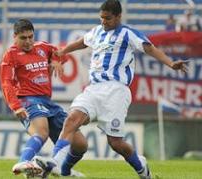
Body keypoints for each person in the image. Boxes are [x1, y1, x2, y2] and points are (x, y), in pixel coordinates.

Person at [37, 0, 189, 179]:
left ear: (118, 16)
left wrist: (171, 63)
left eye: (108, 18)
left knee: (116, 143)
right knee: (72, 119)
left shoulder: (127, 33)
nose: (104, 22)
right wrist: (63, 51)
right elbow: (83, 42)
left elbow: (149, 48)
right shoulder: (96, 32)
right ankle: (54, 162)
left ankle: (142, 167)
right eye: (101, 18)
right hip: (93, 89)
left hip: (116, 91)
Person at [0, 19, 87, 178]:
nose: (28, 42)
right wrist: (16, 106)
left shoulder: (43, 47)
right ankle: (23, 163)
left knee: (80, 144)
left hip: (47, 101)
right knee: (41, 132)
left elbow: (61, 54)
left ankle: (62, 171)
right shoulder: (10, 55)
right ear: (15, 37)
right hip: (28, 100)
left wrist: (55, 60)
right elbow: (6, 83)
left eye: (30, 37)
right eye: (23, 38)